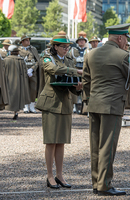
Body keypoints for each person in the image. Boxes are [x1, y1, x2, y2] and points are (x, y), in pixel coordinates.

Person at [82, 23, 130, 196]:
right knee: (108, 146)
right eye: (126, 38)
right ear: (119, 38)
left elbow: (86, 81)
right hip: (112, 105)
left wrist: (88, 100)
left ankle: (96, 183)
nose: (126, 42)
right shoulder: (123, 56)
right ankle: (105, 185)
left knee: (95, 146)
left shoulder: (91, 54)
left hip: (94, 104)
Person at [35, 35, 83, 189]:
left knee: (61, 141)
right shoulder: (48, 58)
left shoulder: (69, 60)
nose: (66, 49)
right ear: (55, 47)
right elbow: (53, 69)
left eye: (68, 47)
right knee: (51, 141)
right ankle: (50, 175)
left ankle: (60, 175)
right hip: (51, 103)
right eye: (63, 47)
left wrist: (78, 88)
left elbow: (72, 82)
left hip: (65, 103)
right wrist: (74, 70)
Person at [4, 45, 30, 119]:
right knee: (18, 98)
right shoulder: (21, 60)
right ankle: (16, 112)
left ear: (10, 52)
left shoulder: (5, 60)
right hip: (19, 82)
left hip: (7, 81)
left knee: (6, 96)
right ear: (18, 52)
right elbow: (25, 73)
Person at [19, 35, 41, 113]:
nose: (28, 41)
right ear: (22, 42)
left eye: (29, 40)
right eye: (26, 40)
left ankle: (32, 106)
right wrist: (25, 69)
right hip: (22, 72)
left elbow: (38, 61)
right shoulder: (18, 50)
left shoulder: (33, 49)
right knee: (24, 88)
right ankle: (25, 106)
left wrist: (32, 69)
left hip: (32, 72)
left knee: (33, 89)